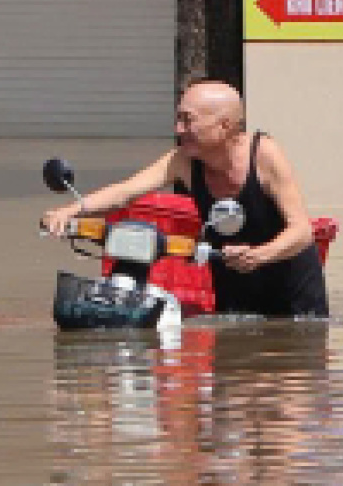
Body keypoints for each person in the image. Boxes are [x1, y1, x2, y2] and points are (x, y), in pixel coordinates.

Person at [40, 81, 328, 318]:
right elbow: (124, 192)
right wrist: (71, 211)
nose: (178, 130)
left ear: (224, 125)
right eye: (178, 119)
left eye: (187, 120)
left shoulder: (265, 156)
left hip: (297, 303)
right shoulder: (184, 162)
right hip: (234, 298)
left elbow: (301, 232)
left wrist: (258, 256)